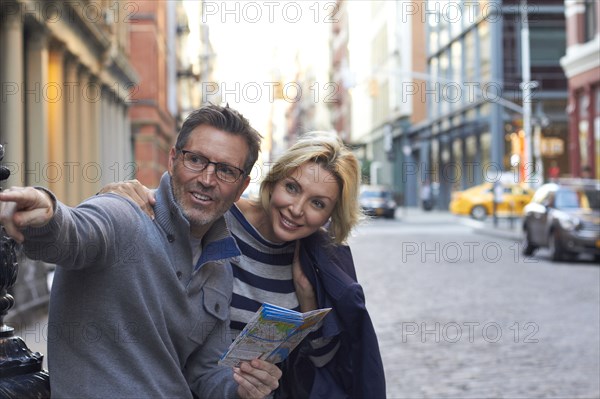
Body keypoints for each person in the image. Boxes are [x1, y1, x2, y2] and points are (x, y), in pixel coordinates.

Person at [0, 104, 281, 398]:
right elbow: (73, 232)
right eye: (195, 159)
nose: (207, 179)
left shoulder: (220, 268)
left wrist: (243, 387)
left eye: (225, 170)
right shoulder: (124, 212)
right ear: (173, 160)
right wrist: (47, 213)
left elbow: (205, 373)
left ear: (242, 187)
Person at [101, 131, 386, 398]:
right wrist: (119, 198)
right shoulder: (219, 214)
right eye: (292, 187)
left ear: (331, 214)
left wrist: (309, 302)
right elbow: (167, 205)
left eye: (318, 204)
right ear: (274, 182)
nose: (297, 209)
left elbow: (326, 364)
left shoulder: (323, 260)